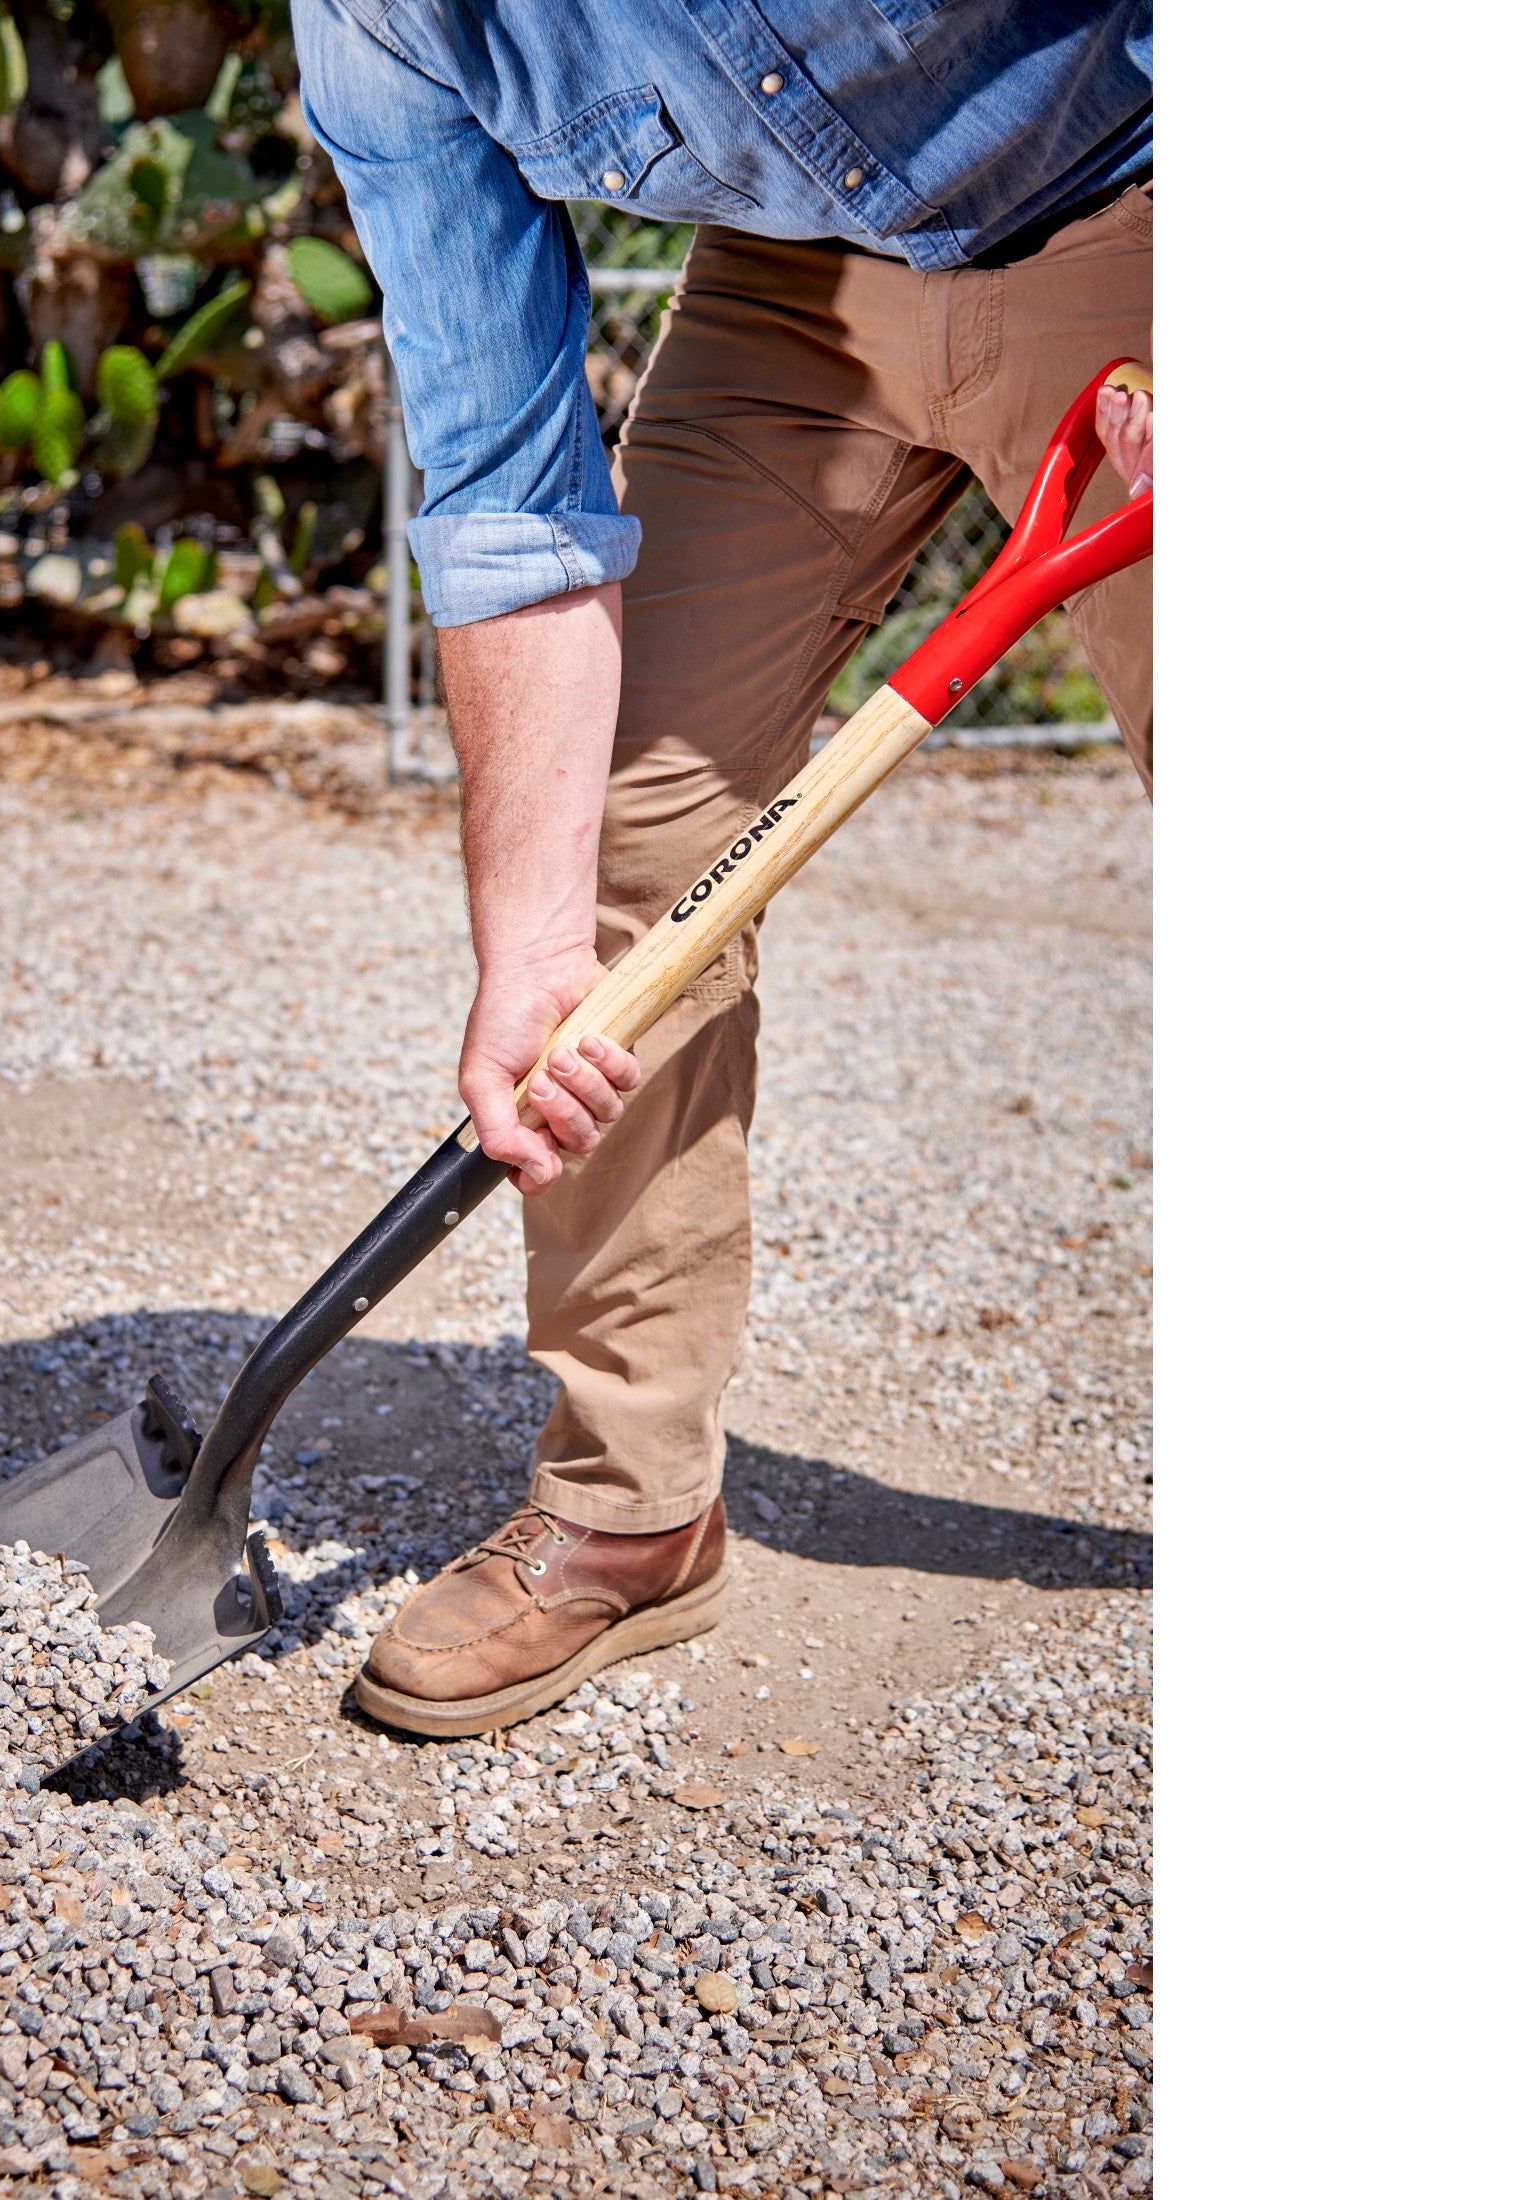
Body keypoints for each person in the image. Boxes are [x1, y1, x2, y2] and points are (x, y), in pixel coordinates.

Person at [291, 1, 1153, 1737]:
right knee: (613, 847)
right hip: (795, 292)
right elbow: (508, 491)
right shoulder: (378, 22)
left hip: (1139, 210)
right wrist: (533, 947)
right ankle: (630, 1513)